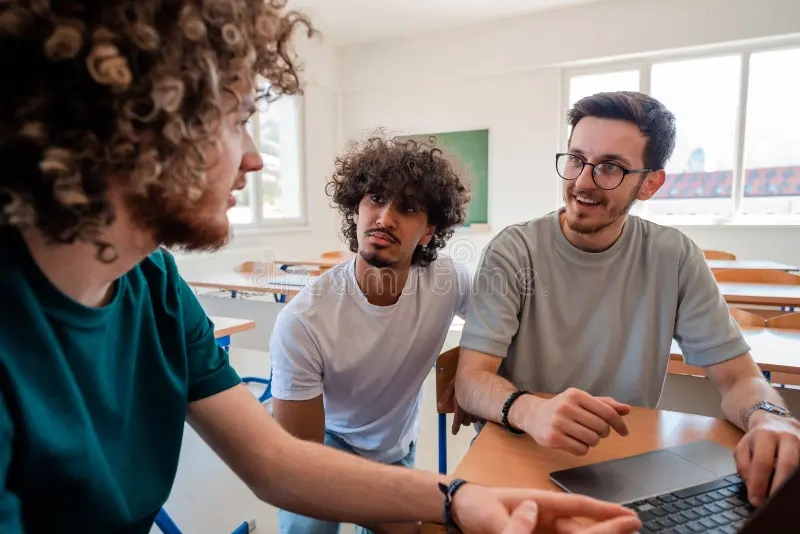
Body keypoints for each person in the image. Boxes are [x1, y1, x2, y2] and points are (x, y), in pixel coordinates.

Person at [0, 2, 643, 533]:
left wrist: (460, 498)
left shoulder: (156, 287)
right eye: (238, 121)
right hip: (337, 446)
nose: (254, 160)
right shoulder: (301, 318)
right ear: (142, 121)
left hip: (392, 452)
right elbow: (299, 457)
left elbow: (273, 461)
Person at [454, 90, 800, 510]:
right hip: (517, 456)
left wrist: (769, 416)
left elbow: (738, 378)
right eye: (577, 159)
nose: (582, 182)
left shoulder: (674, 257)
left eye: (611, 168)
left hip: (625, 469)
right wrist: (529, 411)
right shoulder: (515, 250)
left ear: (650, 183)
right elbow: (471, 380)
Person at [270, 134, 475, 533]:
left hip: (394, 448)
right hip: (323, 442)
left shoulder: (448, 280)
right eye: (376, 199)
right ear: (356, 210)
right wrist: (390, 515)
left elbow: (500, 327)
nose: (385, 218)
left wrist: (470, 370)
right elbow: (300, 465)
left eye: (408, 207)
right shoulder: (304, 320)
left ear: (429, 231)